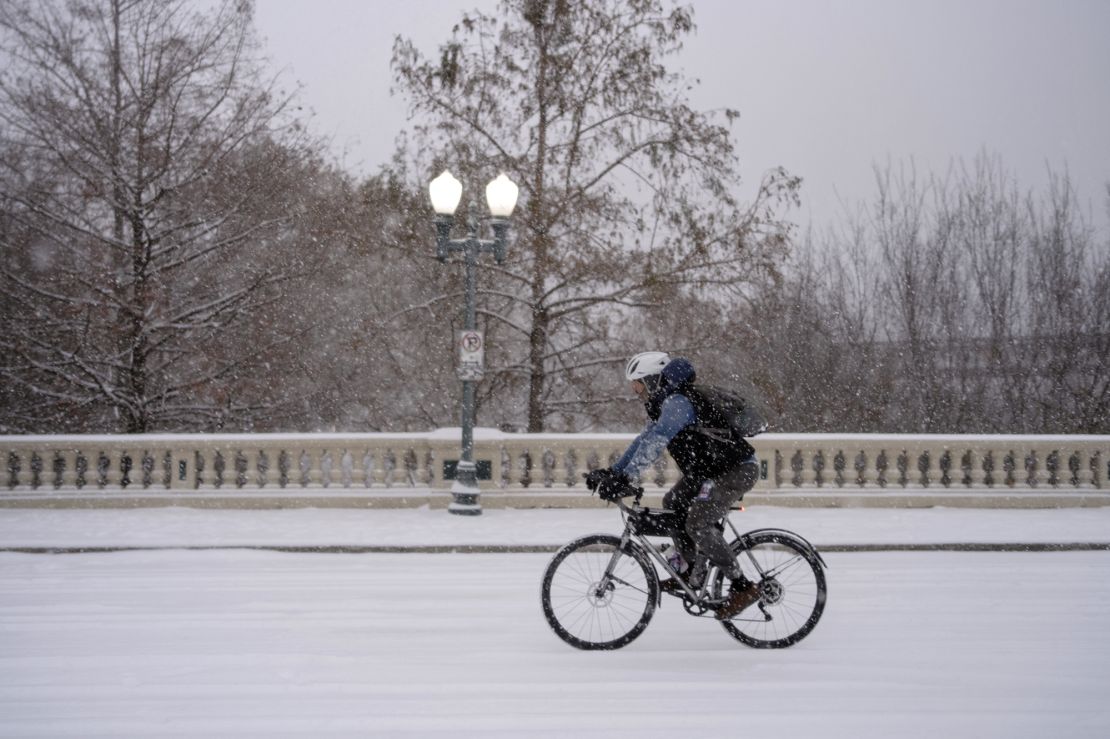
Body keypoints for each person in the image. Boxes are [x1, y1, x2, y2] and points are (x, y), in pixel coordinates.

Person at [586, 351, 762, 620]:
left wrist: (626, 478)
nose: (635, 390)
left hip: (735, 469)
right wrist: (614, 472)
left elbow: (657, 441)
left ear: (654, 380)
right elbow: (642, 441)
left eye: (639, 382)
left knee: (699, 523)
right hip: (709, 471)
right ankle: (691, 569)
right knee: (673, 504)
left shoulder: (679, 403)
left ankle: (742, 586)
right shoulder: (664, 404)